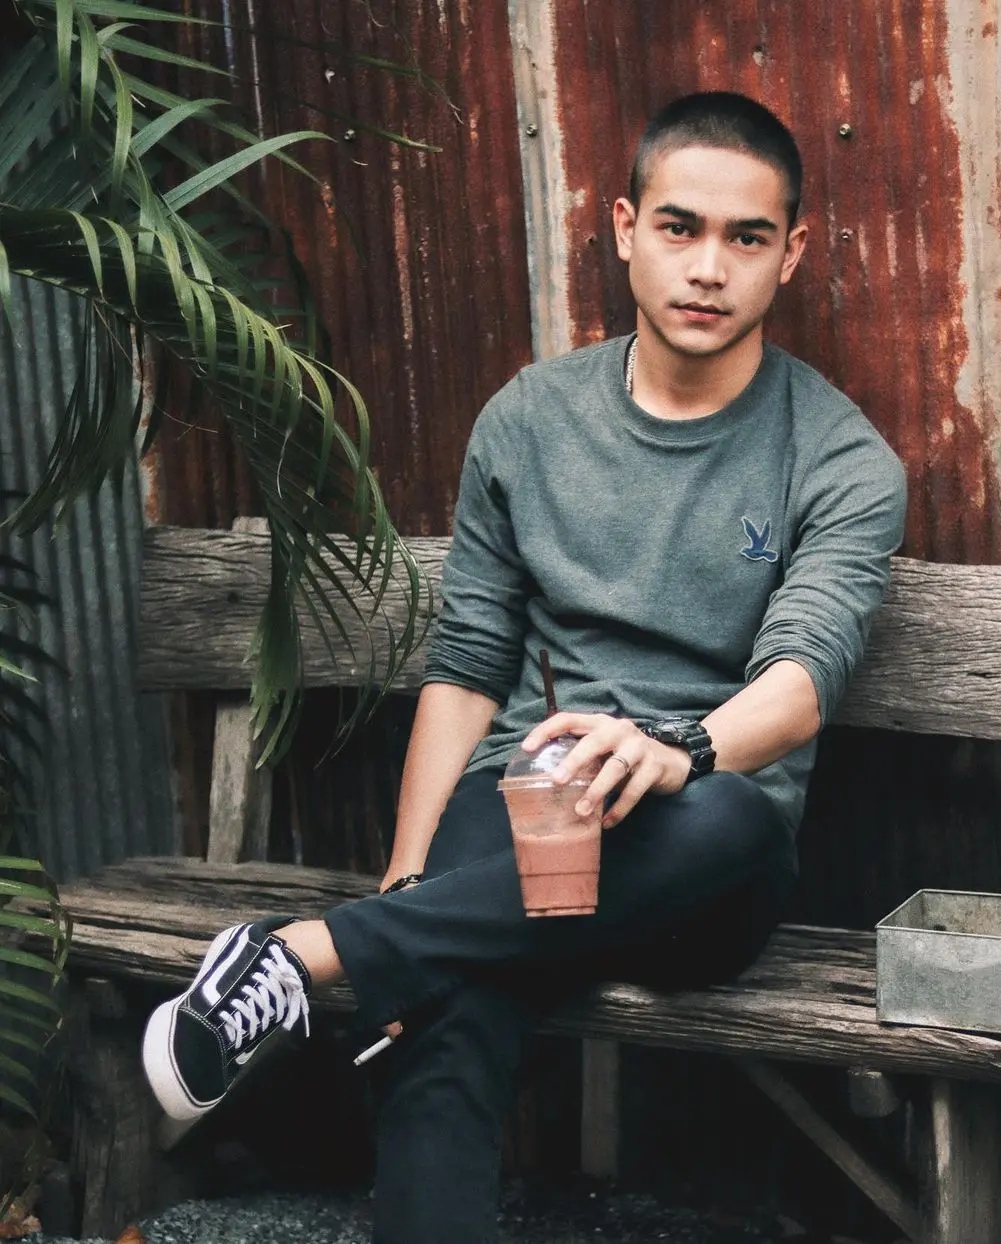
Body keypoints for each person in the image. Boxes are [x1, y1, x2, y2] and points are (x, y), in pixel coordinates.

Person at [141, 91, 907, 1243]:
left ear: (790, 253)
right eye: (680, 227)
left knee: (729, 822)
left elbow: (803, 678)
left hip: (697, 862)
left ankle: (300, 955)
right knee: (453, 983)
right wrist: (410, 878)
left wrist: (679, 749)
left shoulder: (840, 456)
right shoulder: (529, 421)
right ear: (625, 227)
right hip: (527, 824)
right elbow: (467, 668)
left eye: (746, 237)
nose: (708, 267)